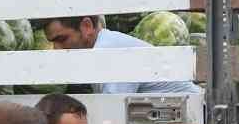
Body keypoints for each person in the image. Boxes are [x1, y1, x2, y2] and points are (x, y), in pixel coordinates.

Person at [39, 15, 201, 95]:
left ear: (86, 27)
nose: (56, 49)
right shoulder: (105, 46)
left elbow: (113, 113)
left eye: (62, 39)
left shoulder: (111, 53)